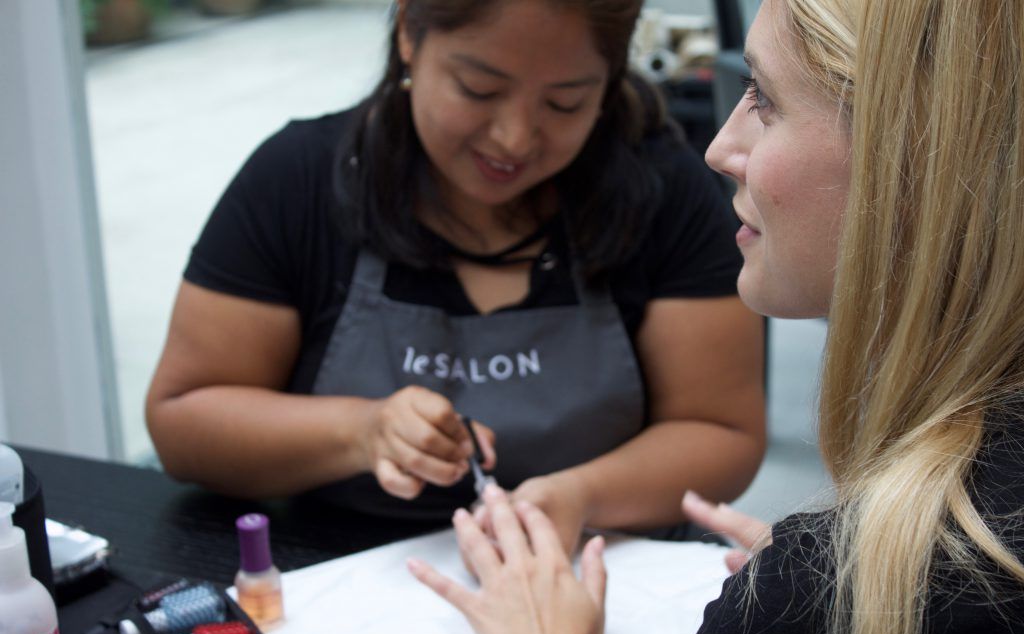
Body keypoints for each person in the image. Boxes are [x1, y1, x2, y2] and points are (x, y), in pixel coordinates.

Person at [408, 0, 1024, 634]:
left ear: (914, 157)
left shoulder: (818, 608)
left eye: (763, 99)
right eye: (479, 87)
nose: (720, 147)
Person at [145, 0, 766, 553]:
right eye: (477, 88)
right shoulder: (299, 182)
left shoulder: (662, 190)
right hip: (333, 570)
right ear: (410, 32)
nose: (514, 138)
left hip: (603, 564)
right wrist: (360, 433)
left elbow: (721, 431)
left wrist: (579, 497)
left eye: (565, 102)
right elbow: (185, 422)